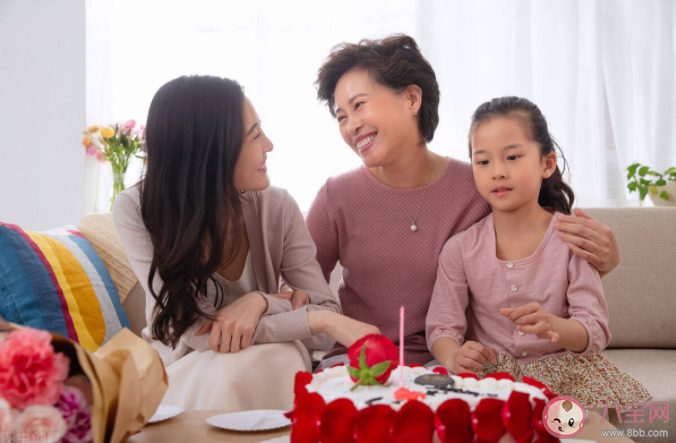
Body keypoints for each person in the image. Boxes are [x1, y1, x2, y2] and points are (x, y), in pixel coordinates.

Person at [307, 34, 621, 371]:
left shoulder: (480, 184)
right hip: (357, 361)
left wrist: (607, 261)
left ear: (411, 98)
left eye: (359, 105)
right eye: (341, 116)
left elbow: (536, 253)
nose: (351, 125)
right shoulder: (336, 196)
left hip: (439, 362)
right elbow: (298, 289)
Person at [113, 75, 373, 410]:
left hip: (268, 360)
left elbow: (324, 328)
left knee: (278, 353)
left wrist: (260, 303)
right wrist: (311, 317)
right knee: (273, 354)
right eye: (254, 135)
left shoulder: (277, 206)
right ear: (210, 150)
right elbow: (197, 332)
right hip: (183, 371)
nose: (269, 144)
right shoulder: (138, 208)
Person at [426, 96, 650, 408]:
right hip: (491, 381)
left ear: (546, 164)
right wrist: (452, 354)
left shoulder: (573, 239)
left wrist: (554, 326)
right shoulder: (460, 249)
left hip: (568, 380)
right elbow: (442, 326)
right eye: (483, 161)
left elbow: (594, 331)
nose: (498, 172)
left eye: (513, 157)